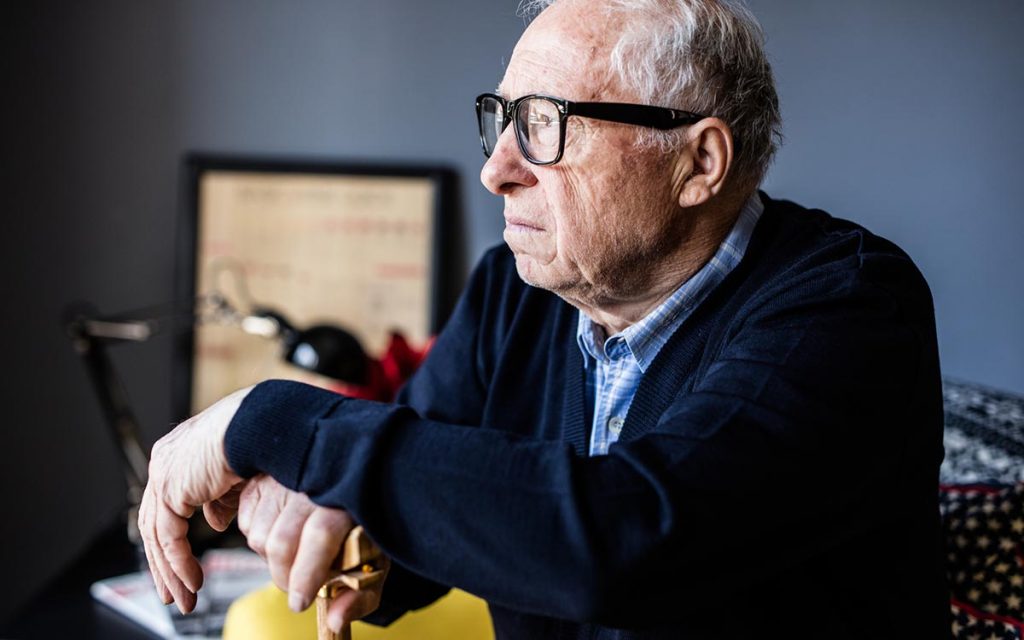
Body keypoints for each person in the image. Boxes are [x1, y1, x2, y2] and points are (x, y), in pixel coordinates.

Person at [138, 0, 951, 637]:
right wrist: (348, 535)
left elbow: (625, 540)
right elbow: (425, 529)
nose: (497, 170)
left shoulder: (850, 310)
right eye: (504, 118)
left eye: (546, 127)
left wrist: (276, 420)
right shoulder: (513, 291)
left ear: (699, 163)